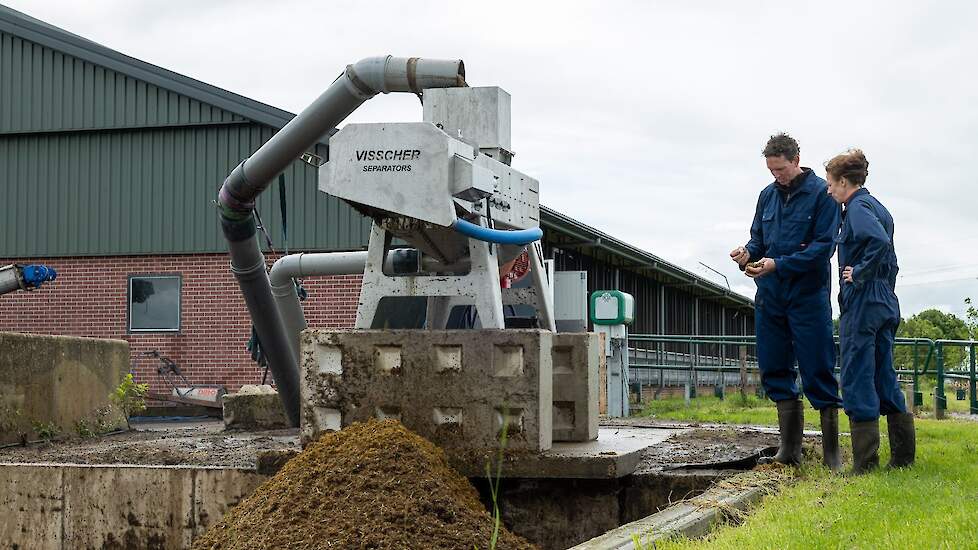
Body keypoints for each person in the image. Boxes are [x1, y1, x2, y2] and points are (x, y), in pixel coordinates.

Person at [730, 133, 843, 470]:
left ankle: (832, 453)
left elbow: (824, 247)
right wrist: (747, 253)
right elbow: (759, 239)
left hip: (808, 295)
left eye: (780, 169)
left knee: (818, 366)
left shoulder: (823, 195)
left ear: (796, 160)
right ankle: (790, 448)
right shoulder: (767, 196)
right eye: (771, 170)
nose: (776, 175)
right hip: (771, 296)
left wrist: (779, 264)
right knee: (774, 365)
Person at [825, 149, 914, 473]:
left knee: (857, 373)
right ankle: (902, 458)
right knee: (882, 372)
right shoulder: (878, 206)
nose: (829, 190)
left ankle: (865, 462)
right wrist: (881, 284)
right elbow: (890, 256)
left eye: (830, 184)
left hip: (864, 300)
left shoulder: (857, 208)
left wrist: (859, 273)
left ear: (844, 182)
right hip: (885, 299)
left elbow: (877, 241)